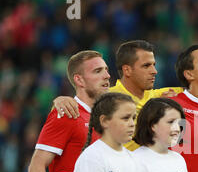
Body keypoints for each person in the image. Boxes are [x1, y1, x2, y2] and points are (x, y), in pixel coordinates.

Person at [52, 40, 183, 150]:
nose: (154, 71)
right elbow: (80, 106)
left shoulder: (162, 96)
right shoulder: (108, 99)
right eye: (146, 66)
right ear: (127, 70)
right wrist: (61, 100)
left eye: (153, 65)